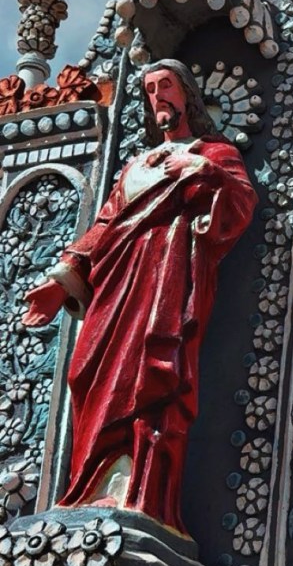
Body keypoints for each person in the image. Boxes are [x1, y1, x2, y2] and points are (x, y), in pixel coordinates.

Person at [22, 59, 257, 536]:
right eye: (149, 90)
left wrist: (202, 169)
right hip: (116, 286)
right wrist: (60, 281)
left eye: (165, 86)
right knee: (88, 373)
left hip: (167, 281)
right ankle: (91, 488)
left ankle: (141, 494)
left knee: (152, 377)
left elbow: (240, 202)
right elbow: (105, 225)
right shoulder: (136, 166)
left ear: (186, 94)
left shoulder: (214, 152)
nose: (157, 97)